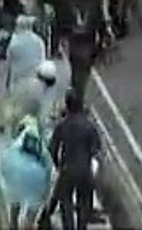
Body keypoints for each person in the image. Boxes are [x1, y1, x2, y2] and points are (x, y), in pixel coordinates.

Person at [44, 93, 101, 230]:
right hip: (85, 170)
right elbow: (96, 149)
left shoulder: (62, 126)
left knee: (66, 202)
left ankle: (68, 227)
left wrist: (58, 165)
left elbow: (52, 149)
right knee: (83, 203)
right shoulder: (89, 126)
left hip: (67, 168)